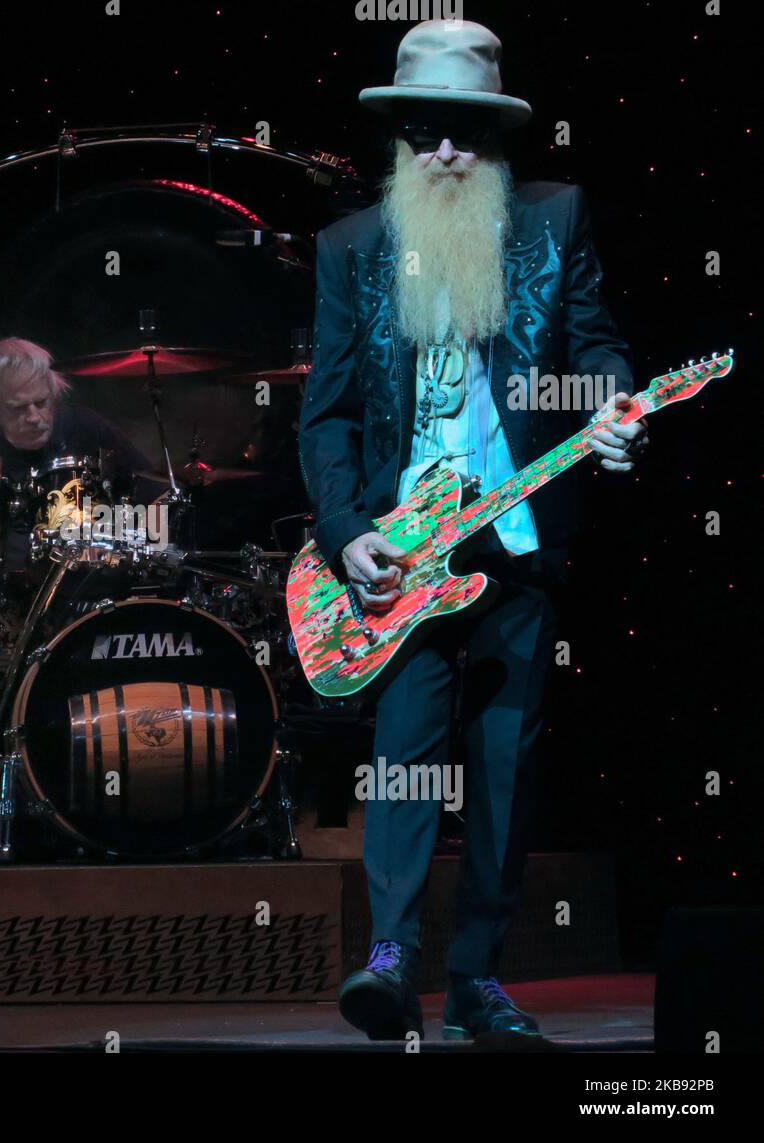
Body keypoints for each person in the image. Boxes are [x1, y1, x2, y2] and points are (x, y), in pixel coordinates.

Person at [299, 19, 649, 1041]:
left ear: (494, 139)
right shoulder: (350, 250)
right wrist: (344, 529)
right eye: (424, 134)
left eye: (463, 133)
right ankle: (391, 958)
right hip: (404, 553)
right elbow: (324, 415)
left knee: (504, 764)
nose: (443, 152)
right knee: (406, 754)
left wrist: (611, 412)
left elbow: (593, 348)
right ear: (400, 139)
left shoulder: (553, 220)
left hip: (518, 540)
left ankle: (481, 978)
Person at [0, 337, 149, 569]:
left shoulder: (87, 429)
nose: (34, 417)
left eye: (41, 403)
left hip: (82, 581)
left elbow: (150, 489)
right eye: (18, 408)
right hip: (0, 588)